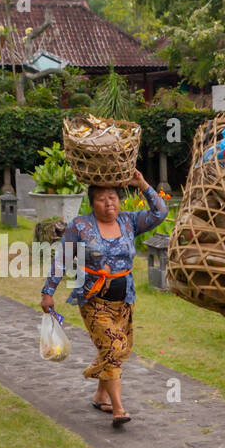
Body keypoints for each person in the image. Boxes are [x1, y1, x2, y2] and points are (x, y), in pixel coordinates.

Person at [39, 170, 166, 427]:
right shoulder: (80, 226)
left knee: (118, 348)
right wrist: (48, 292)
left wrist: (143, 184)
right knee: (113, 347)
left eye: (113, 198)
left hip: (124, 300)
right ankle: (119, 408)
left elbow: (160, 213)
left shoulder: (129, 221)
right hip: (93, 300)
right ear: (91, 203)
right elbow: (63, 257)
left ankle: (100, 394)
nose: (109, 204)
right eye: (102, 199)